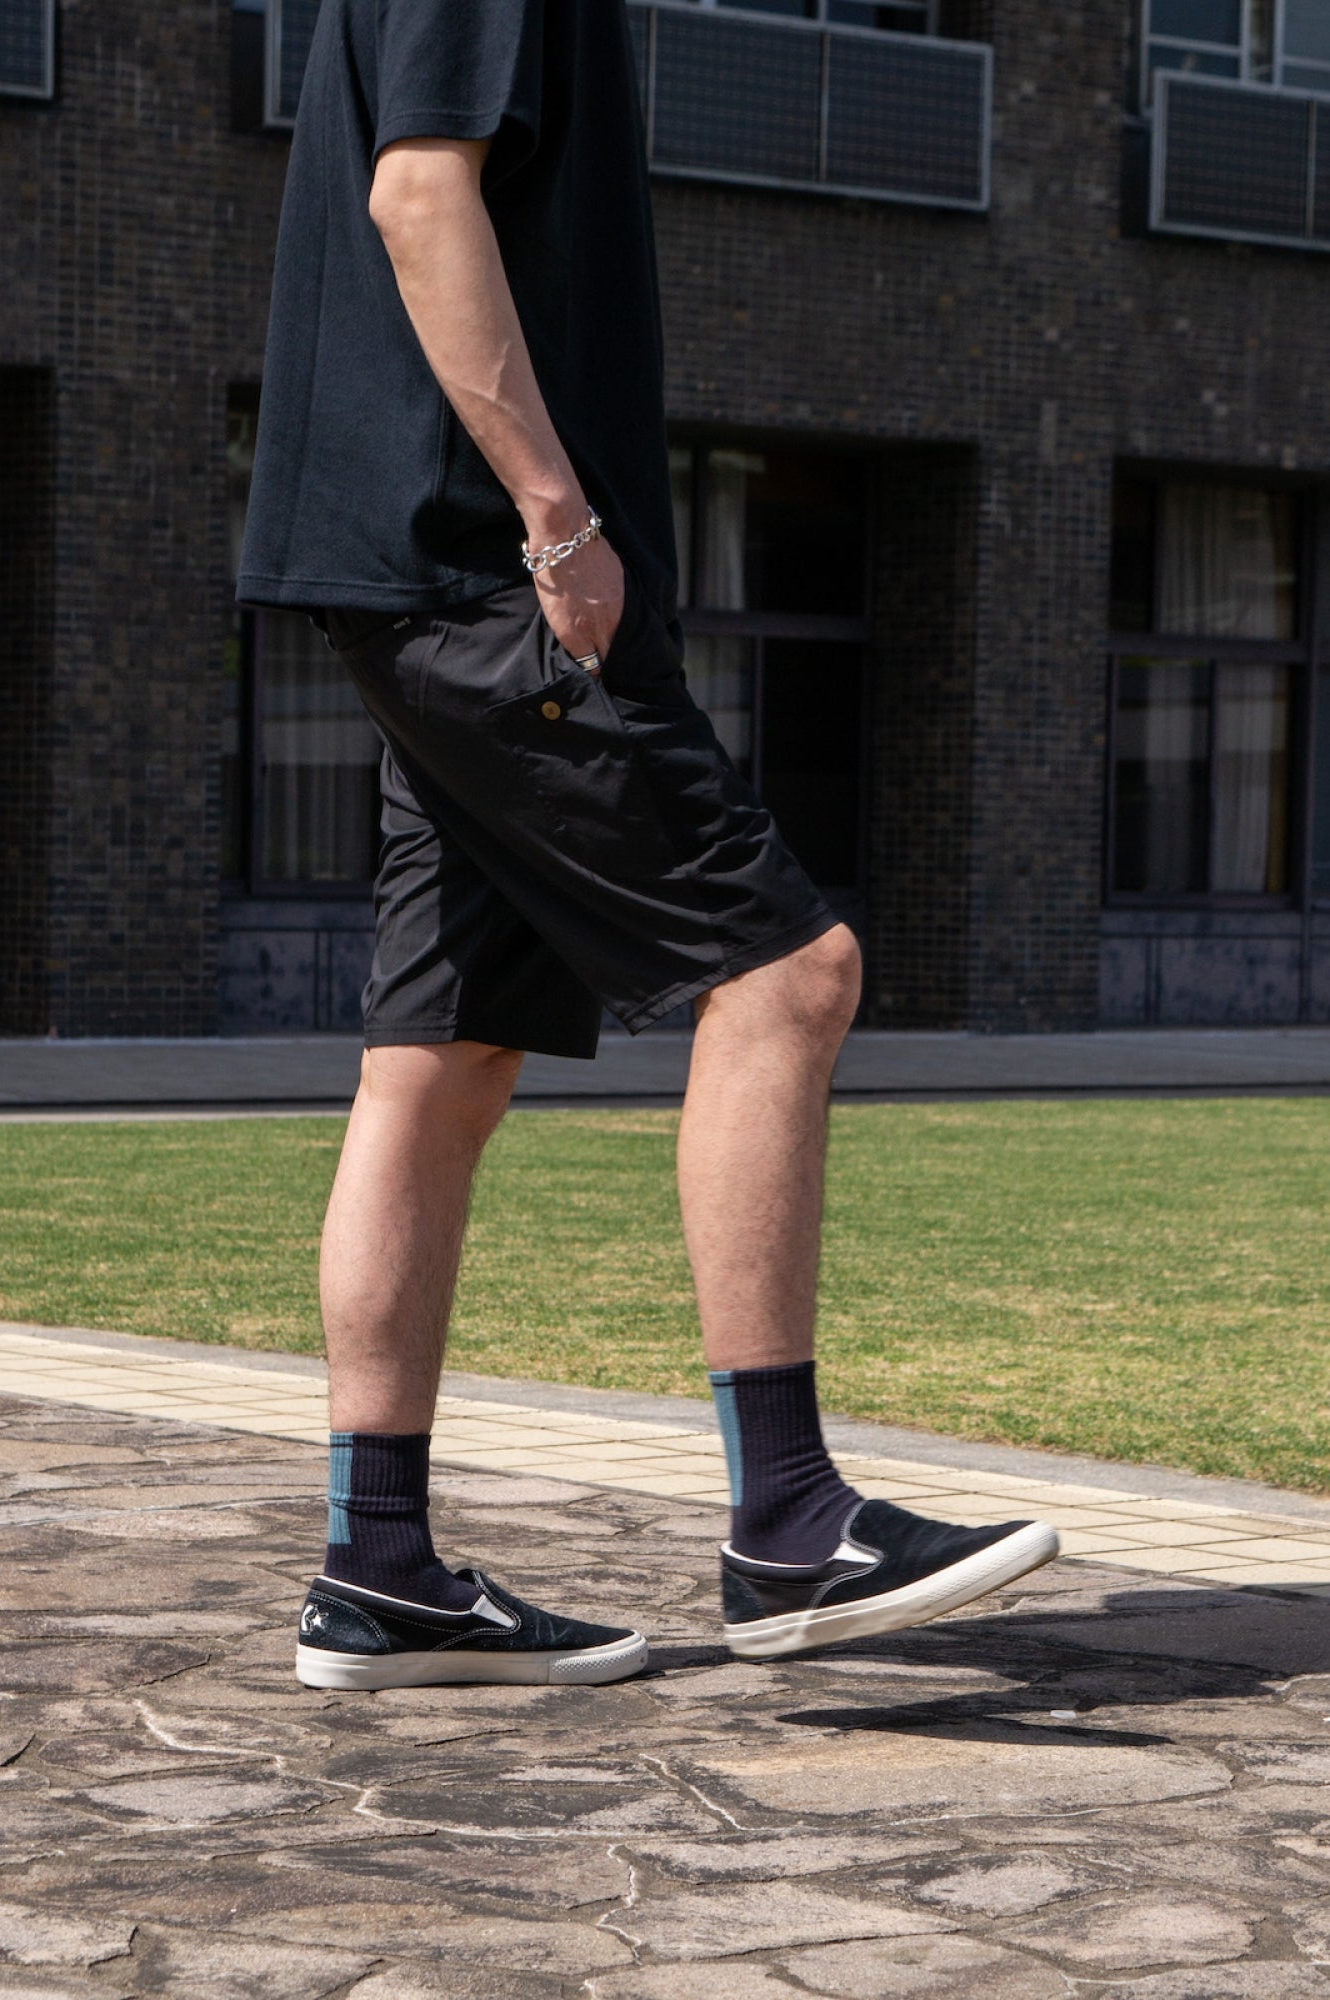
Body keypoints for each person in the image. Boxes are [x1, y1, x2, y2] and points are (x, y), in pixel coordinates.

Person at [238, 0, 1058, 1692]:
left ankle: (378, 1569)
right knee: (789, 974)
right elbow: (419, 194)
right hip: (486, 571)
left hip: (422, 578)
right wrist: (556, 517)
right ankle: (788, 1524)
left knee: (443, 1053)